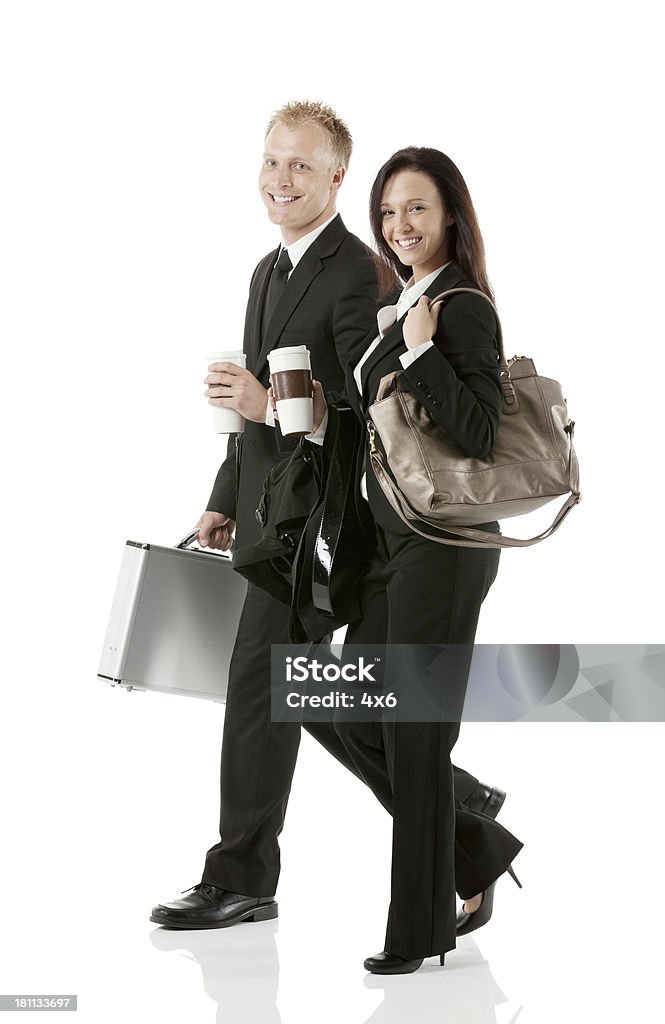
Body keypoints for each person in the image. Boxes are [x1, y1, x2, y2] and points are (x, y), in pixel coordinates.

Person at [150, 106, 508, 934]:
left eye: (300, 167)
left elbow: (366, 408)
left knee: (269, 687)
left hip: (337, 524)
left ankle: (241, 873)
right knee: (306, 696)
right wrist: (221, 492)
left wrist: (268, 407)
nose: (280, 179)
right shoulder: (265, 271)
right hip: (272, 516)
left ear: (337, 177)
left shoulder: (359, 274)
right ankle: (462, 819)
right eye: (271, 162)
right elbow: (251, 402)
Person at [292, 147, 524, 973]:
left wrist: (422, 351)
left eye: (416, 210)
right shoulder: (403, 304)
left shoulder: (459, 306)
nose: (400, 228)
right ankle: (473, 836)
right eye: (388, 213)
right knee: (340, 704)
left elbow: (476, 432)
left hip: (444, 549)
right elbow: (377, 429)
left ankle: (418, 929)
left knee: (413, 732)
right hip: (390, 544)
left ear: (451, 216)